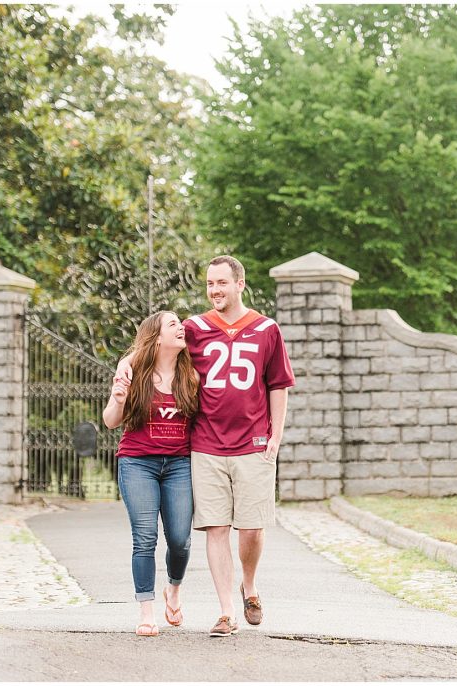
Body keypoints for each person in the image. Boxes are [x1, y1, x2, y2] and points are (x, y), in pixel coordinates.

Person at [116, 255, 294, 637]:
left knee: (251, 529)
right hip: (206, 444)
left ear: (240, 284)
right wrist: (125, 363)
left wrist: (276, 437)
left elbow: (278, 385)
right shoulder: (195, 327)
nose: (214, 290)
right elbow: (153, 345)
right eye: (210, 284)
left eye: (221, 283)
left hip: (254, 443)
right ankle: (226, 611)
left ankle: (249, 585)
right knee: (216, 528)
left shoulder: (266, 329)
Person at [103, 311, 199, 637]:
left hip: (179, 465)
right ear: (157, 337)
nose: (181, 327)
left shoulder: (192, 373)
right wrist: (118, 399)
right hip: (137, 462)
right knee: (145, 538)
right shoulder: (135, 373)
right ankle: (146, 611)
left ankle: (174, 588)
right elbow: (110, 420)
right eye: (173, 324)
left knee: (180, 540)